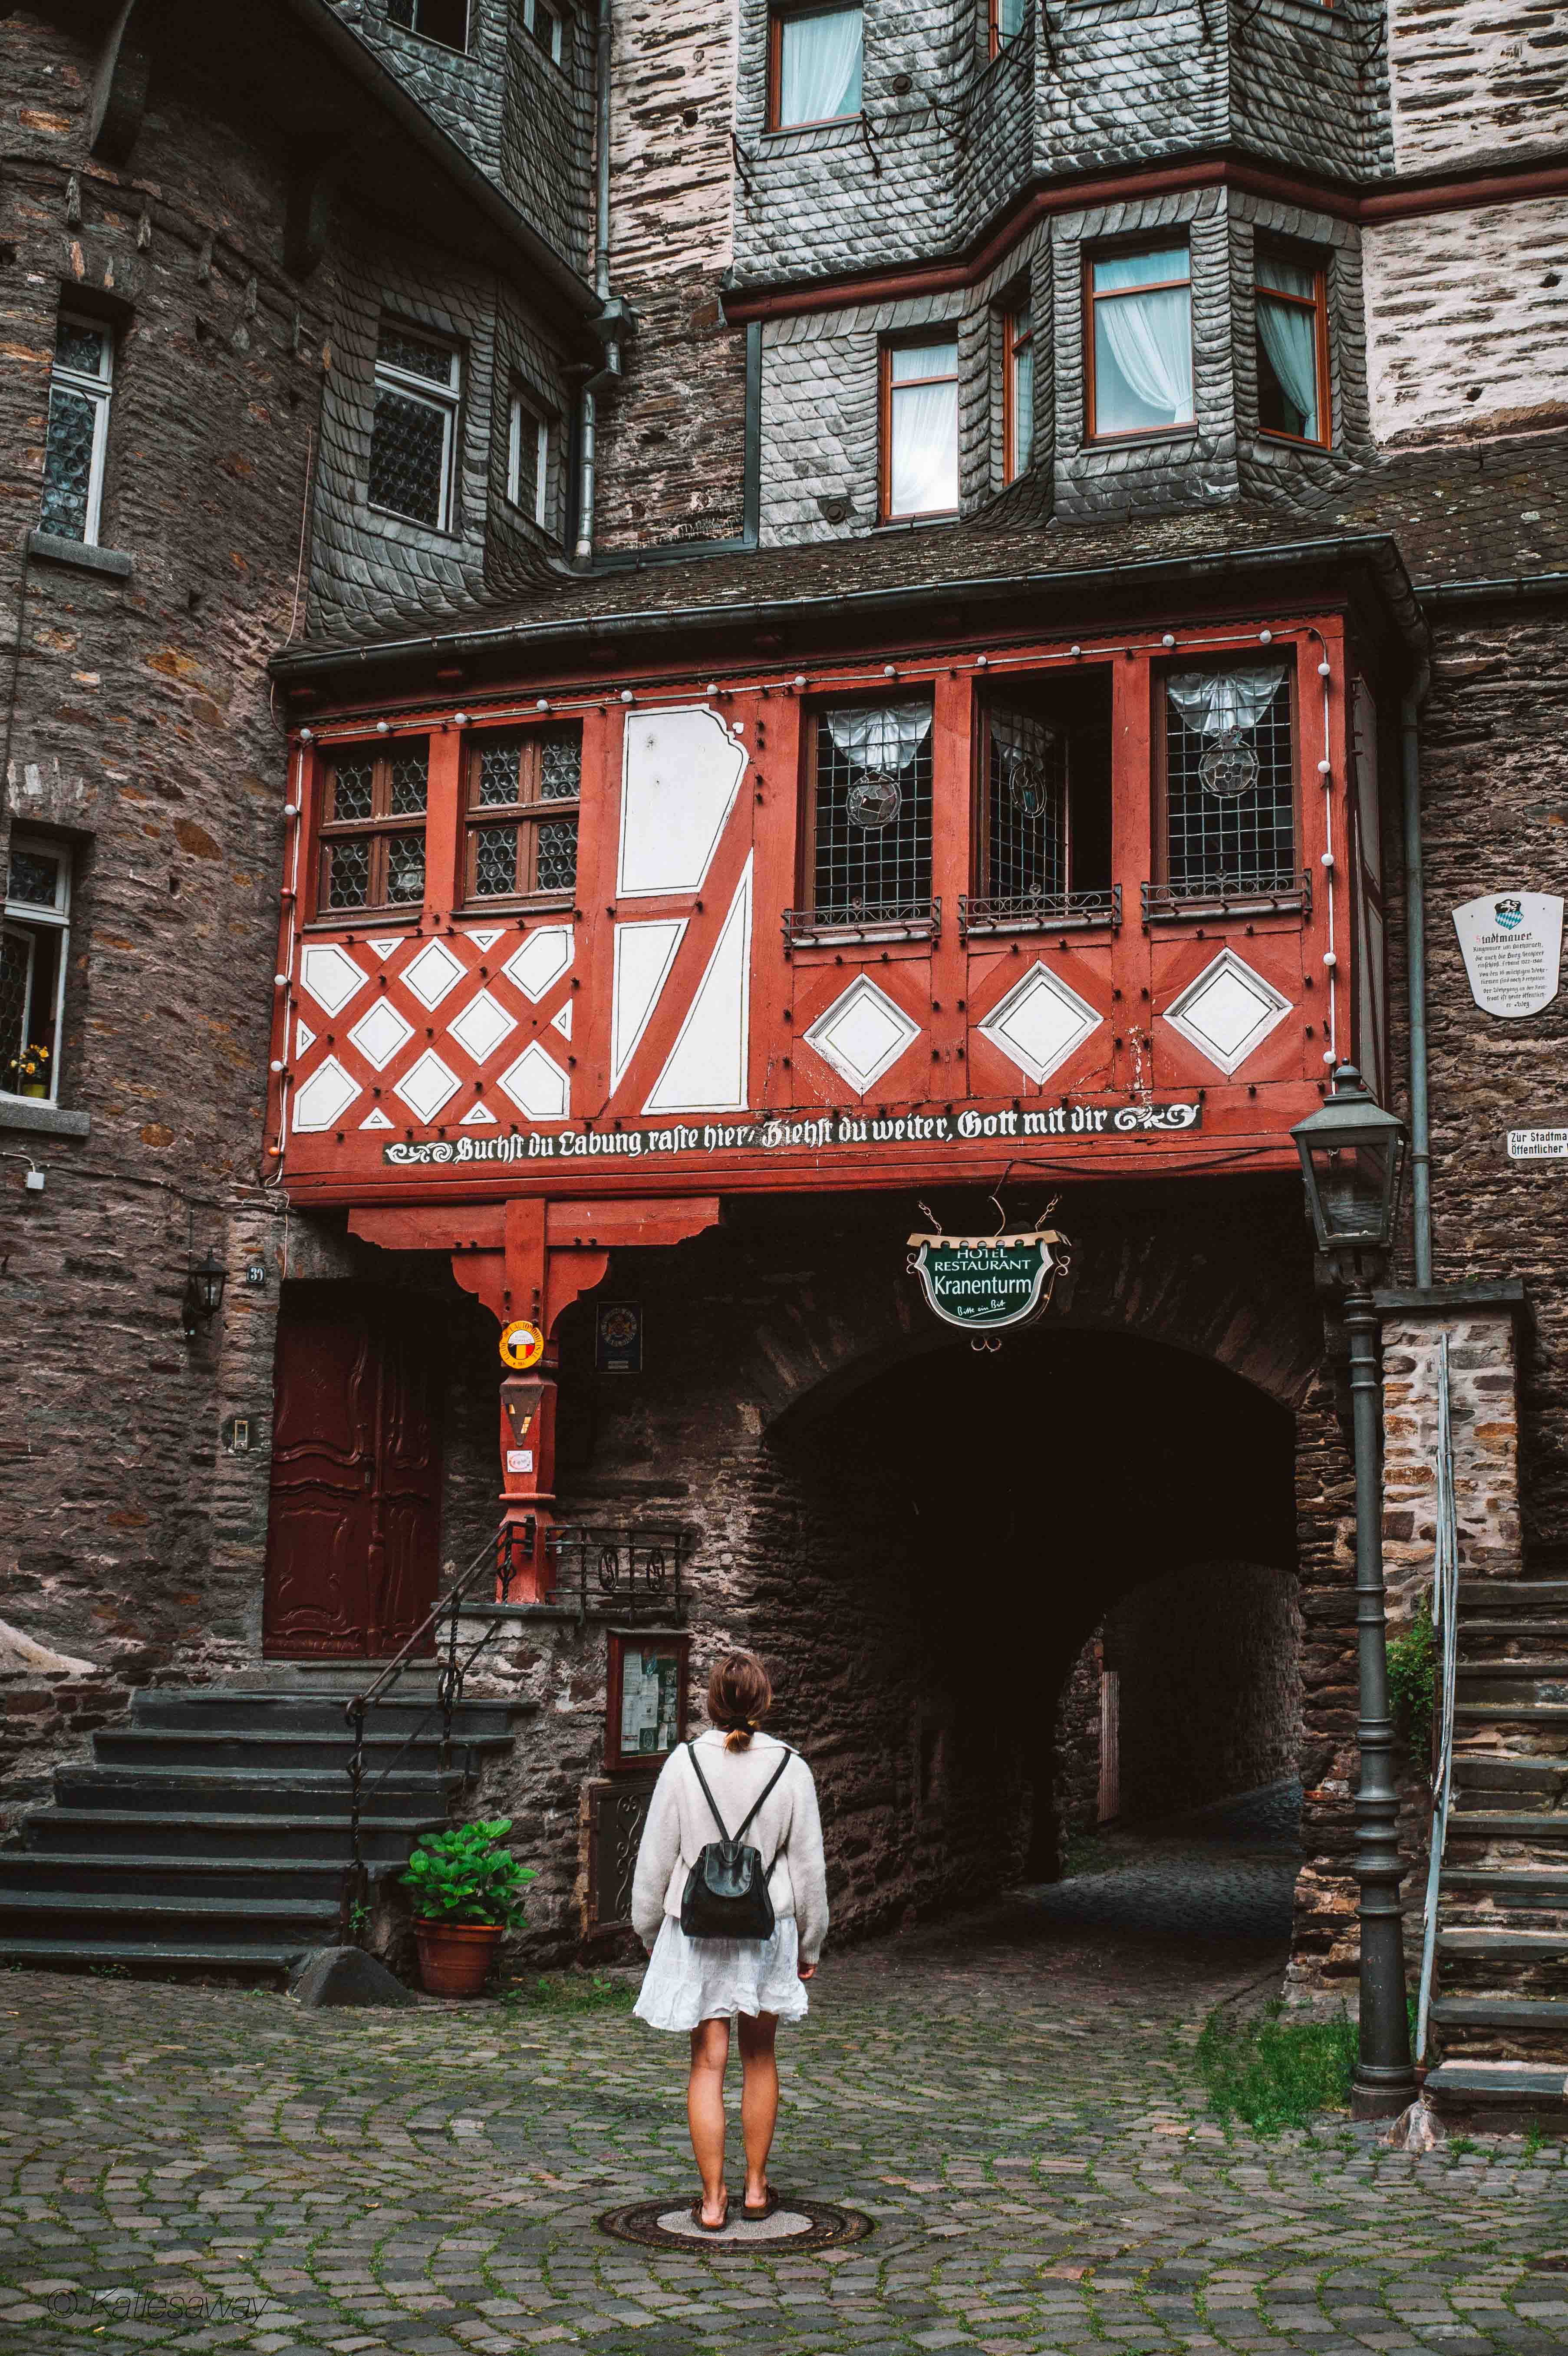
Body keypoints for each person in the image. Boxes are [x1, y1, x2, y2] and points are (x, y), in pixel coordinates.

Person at [631, 1649, 828, 2231]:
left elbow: (654, 1859)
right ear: (763, 1701)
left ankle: (713, 2200)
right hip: (768, 1929)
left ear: (712, 1701)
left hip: (697, 1930)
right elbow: (810, 1870)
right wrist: (810, 1944)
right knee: (759, 2054)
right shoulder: (792, 1768)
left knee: (708, 2059)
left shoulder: (684, 1763)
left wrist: (648, 1929)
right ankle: (756, 2187)